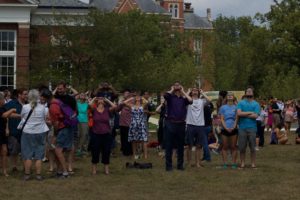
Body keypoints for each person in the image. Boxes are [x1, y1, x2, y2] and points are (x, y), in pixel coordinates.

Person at [49, 81, 78, 178]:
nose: (59, 90)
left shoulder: (70, 99)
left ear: (65, 88)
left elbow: (74, 113)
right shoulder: (55, 98)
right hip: (57, 126)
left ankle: (64, 170)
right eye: (58, 88)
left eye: (61, 88)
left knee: (63, 149)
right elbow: (49, 97)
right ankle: (59, 170)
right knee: (57, 149)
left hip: (66, 126)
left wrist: (67, 121)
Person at [19, 89, 49, 181]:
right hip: (40, 132)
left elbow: (22, 117)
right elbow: (44, 119)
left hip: (27, 132)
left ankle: (27, 174)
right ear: (38, 97)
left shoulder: (25, 107)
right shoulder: (43, 107)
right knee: (39, 155)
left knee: (27, 154)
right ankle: (38, 175)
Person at [164, 82, 192, 171]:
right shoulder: (170, 98)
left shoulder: (183, 99)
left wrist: (183, 91)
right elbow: (166, 95)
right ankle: (168, 166)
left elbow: (190, 100)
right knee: (169, 145)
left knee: (180, 146)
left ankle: (180, 165)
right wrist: (172, 89)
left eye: (178, 85)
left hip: (181, 124)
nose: (177, 86)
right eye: (175, 85)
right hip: (170, 123)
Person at [89, 97, 116, 175]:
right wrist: (94, 98)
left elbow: (114, 106)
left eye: (102, 100)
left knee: (106, 151)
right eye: (99, 100)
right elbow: (89, 105)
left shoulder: (107, 110)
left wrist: (107, 99)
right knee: (95, 151)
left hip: (106, 134)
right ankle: (94, 169)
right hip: (96, 134)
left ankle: (106, 169)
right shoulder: (94, 110)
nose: (101, 100)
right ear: (97, 102)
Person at [185, 88, 210, 168]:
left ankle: (197, 163)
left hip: (200, 125)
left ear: (198, 92)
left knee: (199, 146)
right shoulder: (188, 101)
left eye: (196, 90)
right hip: (190, 125)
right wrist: (188, 92)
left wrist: (203, 93)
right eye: (193, 90)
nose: (195, 91)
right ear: (191, 92)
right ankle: (189, 163)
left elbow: (209, 100)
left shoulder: (201, 101)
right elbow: (183, 99)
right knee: (189, 145)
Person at [237, 87, 260, 169]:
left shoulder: (256, 104)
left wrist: (244, 114)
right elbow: (239, 114)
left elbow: (256, 116)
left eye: (250, 91)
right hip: (242, 128)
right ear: (245, 93)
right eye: (248, 91)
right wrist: (250, 112)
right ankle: (242, 163)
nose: (249, 92)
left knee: (252, 147)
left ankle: (253, 164)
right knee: (242, 147)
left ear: (253, 93)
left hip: (252, 128)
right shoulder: (241, 103)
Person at [5, 88, 28, 172]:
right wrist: (7, 128)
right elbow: (5, 115)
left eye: (27, 94)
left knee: (25, 150)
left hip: (26, 131)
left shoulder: (28, 104)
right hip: (14, 130)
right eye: (25, 94)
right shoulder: (11, 103)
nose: (26, 96)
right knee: (14, 150)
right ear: (19, 95)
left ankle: (26, 167)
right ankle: (14, 167)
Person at [123, 93, 149, 160]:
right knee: (133, 140)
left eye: (138, 97)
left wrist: (141, 97)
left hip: (141, 124)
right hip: (133, 124)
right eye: (136, 97)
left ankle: (145, 156)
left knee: (144, 140)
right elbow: (124, 102)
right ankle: (134, 155)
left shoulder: (142, 105)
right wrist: (132, 98)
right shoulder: (132, 106)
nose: (137, 98)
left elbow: (147, 102)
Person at [219, 92, 238, 169]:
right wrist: (226, 127)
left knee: (233, 146)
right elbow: (222, 119)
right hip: (224, 129)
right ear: (226, 98)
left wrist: (234, 126)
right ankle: (225, 163)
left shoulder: (236, 107)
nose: (230, 96)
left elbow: (237, 118)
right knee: (225, 146)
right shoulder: (223, 107)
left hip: (234, 128)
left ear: (233, 97)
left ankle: (234, 163)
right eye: (228, 95)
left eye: (231, 95)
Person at [0, 92, 18, 177]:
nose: (4, 100)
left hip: (2, 133)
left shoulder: (3, 108)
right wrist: (12, 109)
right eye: (3, 99)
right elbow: (4, 115)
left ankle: (4, 171)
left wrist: (21, 116)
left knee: (4, 151)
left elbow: (8, 116)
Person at [117, 90, 133, 156]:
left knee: (128, 137)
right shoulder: (122, 102)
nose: (126, 94)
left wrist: (124, 103)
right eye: (125, 93)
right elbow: (117, 109)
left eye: (127, 93)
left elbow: (133, 108)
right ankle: (123, 150)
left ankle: (129, 151)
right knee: (123, 138)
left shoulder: (132, 101)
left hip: (129, 122)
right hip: (122, 123)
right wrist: (121, 103)